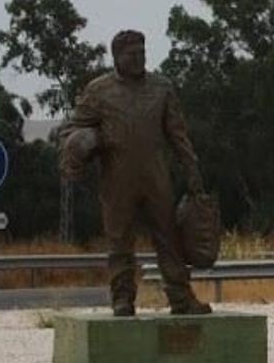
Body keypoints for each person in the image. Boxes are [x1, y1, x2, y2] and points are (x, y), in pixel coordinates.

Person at [63, 30, 210, 316]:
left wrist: (192, 170)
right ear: (117, 57)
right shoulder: (98, 91)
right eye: (133, 54)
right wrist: (78, 150)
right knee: (119, 241)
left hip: (157, 177)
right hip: (117, 179)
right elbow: (72, 131)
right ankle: (122, 299)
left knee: (169, 239)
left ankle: (180, 298)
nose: (139, 58)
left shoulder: (161, 88)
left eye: (142, 52)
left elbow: (178, 136)